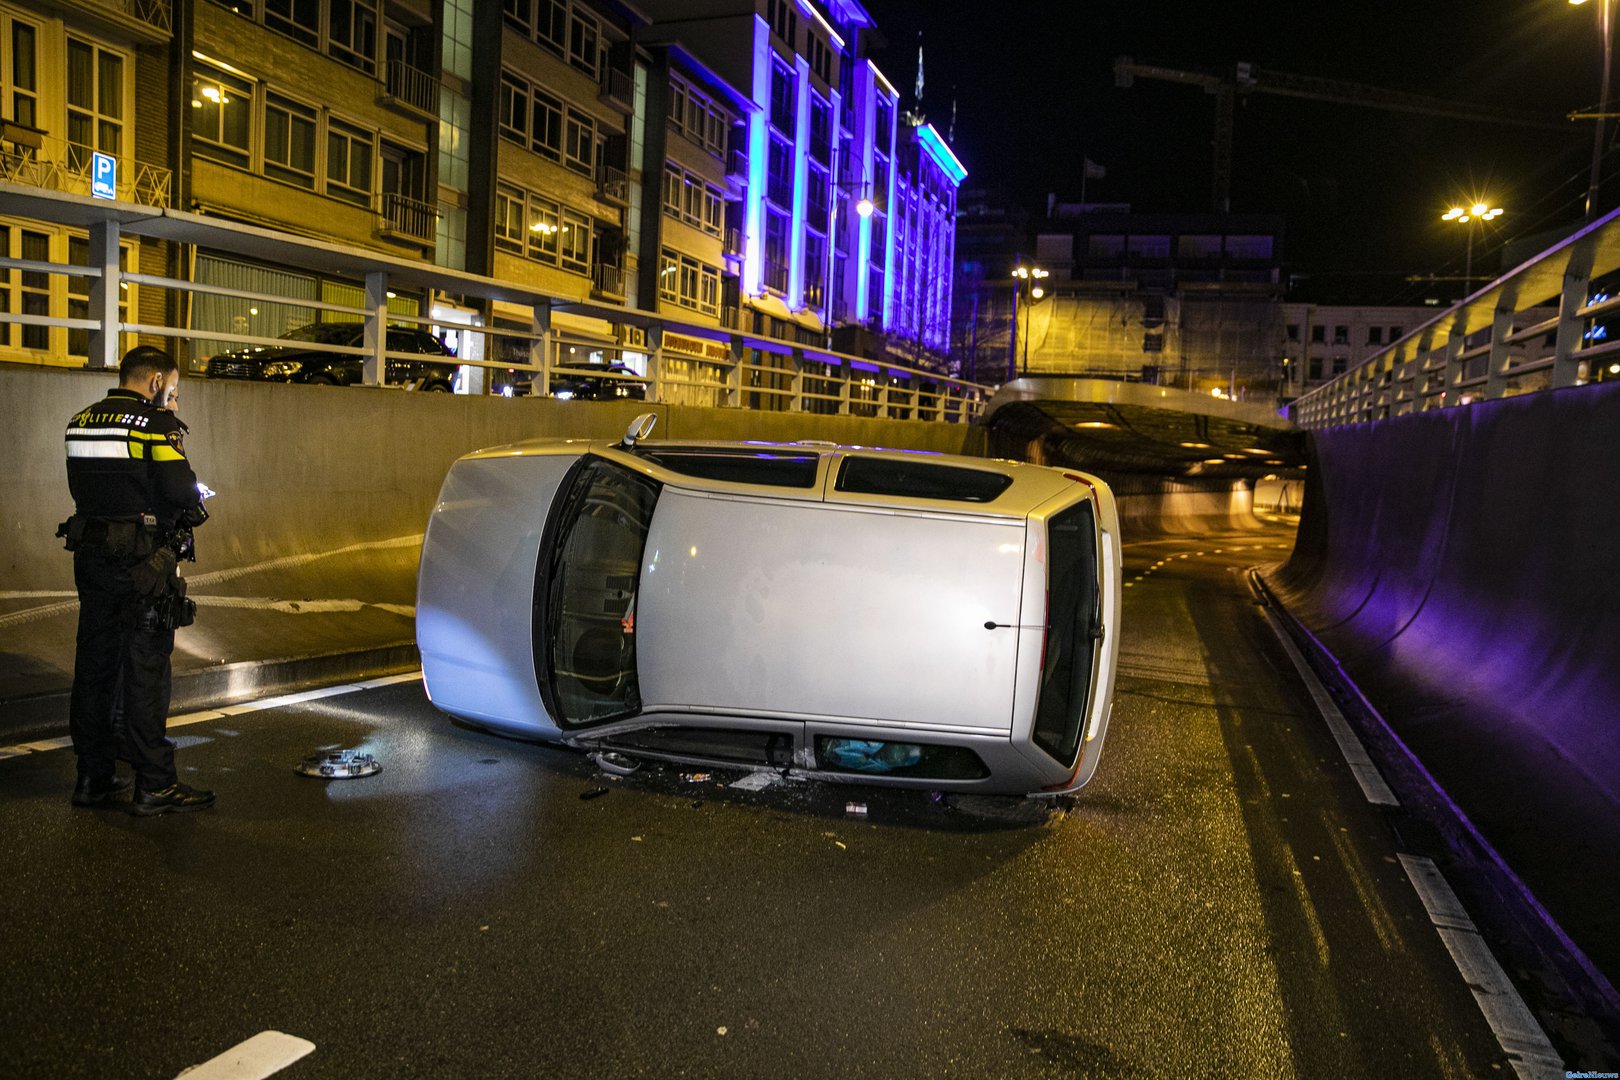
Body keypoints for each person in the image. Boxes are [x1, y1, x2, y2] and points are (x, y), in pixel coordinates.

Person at [61, 345, 214, 815]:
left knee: (95, 665)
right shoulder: (157, 425)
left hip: (91, 554)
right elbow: (180, 492)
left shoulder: (80, 420)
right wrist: (194, 504)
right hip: (142, 562)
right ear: (154, 382)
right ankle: (155, 784)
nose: (174, 398)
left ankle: (93, 777)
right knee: (146, 669)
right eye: (172, 389)